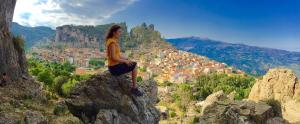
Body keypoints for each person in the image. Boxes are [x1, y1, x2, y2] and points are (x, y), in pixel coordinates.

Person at [105, 25, 143, 96]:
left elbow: (118, 55)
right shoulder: (112, 43)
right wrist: (125, 61)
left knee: (132, 63)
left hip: (114, 66)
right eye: (119, 32)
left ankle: (134, 87)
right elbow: (113, 57)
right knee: (134, 65)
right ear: (114, 32)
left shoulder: (112, 41)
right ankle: (134, 88)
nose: (120, 33)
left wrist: (126, 59)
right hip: (114, 68)